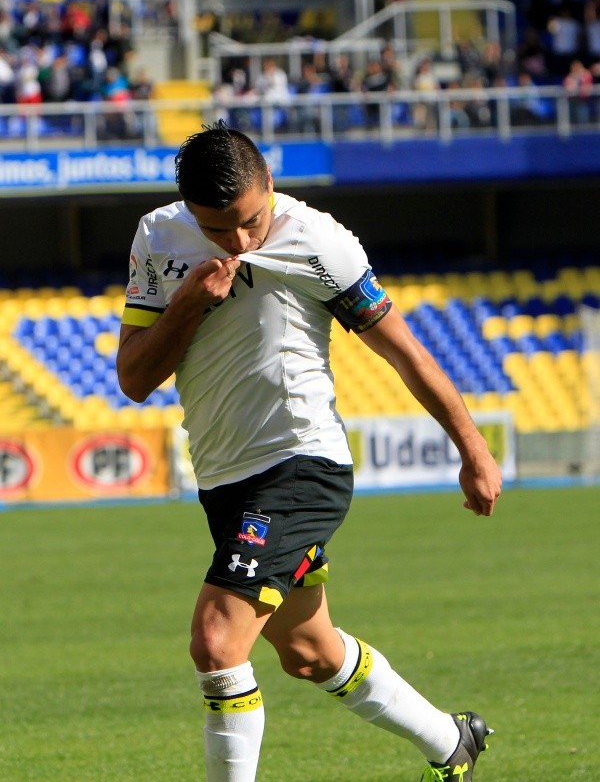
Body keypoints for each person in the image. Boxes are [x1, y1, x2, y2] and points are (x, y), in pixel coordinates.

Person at [116, 122, 502, 782]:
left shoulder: (319, 240)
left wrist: (473, 449)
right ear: (189, 213)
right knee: (307, 650)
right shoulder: (158, 238)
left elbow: (403, 351)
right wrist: (186, 306)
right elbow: (133, 378)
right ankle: (451, 741)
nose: (240, 242)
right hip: (224, 478)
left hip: (302, 464)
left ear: (270, 184)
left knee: (216, 641)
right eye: (218, 230)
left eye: (250, 221)